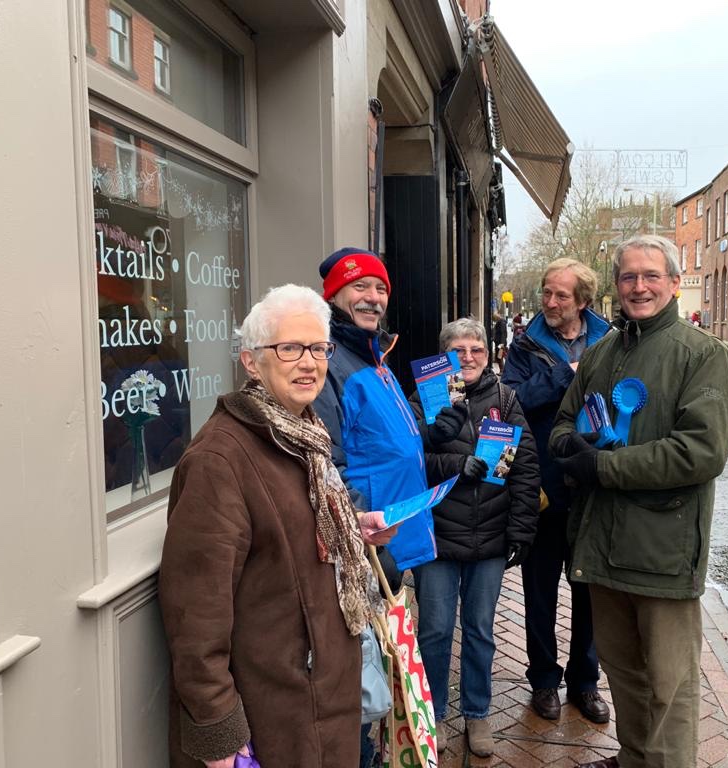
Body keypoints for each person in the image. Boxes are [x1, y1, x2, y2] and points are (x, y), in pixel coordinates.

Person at [159, 285, 397, 768]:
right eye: (289, 348)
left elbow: (294, 528)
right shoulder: (220, 459)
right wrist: (219, 733)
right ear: (251, 362)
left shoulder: (304, 434)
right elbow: (195, 616)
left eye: (318, 349)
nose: (308, 363)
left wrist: (353, 526)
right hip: (274, 718)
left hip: (322, 699)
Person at [550, 235, 728, 768]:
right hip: (602, 545)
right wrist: (569, 446)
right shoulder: (603, 352)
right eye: (629, 276)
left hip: (662, 551)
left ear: (675, 284)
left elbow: (700, 453)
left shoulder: (704, 355)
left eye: (651, 276)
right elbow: (564, 422)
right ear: (616, 285)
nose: (639, 287)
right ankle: (635, 759)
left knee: (669, 688)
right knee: (624, 673)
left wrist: (602, 467)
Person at [313, 247, 466, 767]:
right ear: (334, 295)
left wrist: (429, 434)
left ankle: (374, 752)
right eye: (359, 287)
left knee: (382, 664)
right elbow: (326, 462)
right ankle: (362, 757)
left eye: (380, 288)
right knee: (363, 672)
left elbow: (385, 443)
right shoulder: (330, 363)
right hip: (367, 547)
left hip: (394, 539)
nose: (373, 298)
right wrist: (361, 525)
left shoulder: (375, 359)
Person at [408, 318, 540, 757]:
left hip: (490, 537)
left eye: (476, 349)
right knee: (435, 630)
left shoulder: (506, 399)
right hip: (439, 537)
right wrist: (453, 465)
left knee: (481, 630)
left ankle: (477, 713)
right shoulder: (423, 399)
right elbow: (407, 461)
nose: (468, 357)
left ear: (488, 354)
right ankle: (433, 713)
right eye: (458, 350)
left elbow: (525, 468)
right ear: (444, 355)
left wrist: (521, 529)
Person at [500, 258, 612, 725]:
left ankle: (585, 681)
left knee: (589, 593)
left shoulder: (609, 341)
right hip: (543, 487)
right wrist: (567, 373)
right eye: (546, 292)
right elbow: (512, 401)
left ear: (582, 301)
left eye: (560, 295)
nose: (549, 302)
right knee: (540, 591)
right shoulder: (525, 345)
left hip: (591, 487)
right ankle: (544, 680)